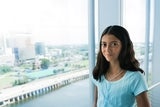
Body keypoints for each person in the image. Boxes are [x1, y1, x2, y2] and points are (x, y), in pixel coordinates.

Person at [91, 25, 151, 107]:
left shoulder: (136, 78)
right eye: (104, 44)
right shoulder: (99, 73)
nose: (107, 49)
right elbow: (95, 104)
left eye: (114, 44)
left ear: (124, 46)